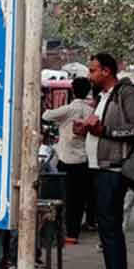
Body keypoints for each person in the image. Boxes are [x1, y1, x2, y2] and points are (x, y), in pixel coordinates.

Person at [76, 52, 134, 269]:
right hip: (98, 168)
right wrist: (85, 128)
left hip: (114, 170)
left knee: (112, 232)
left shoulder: (127, 93)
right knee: (106, 233)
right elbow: (98, 126)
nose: (89, 75)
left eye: (93, 70)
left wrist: (104, 132)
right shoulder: (102, 97)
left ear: (106, 71)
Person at [41, 77, 95, 244]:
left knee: (66, 198)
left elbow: (46, 115)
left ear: (73, 90)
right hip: (85, 160)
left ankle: (64, 231)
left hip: (66, 161)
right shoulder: (91, 111)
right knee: (79, 199)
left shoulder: (67, 110)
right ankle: (73, 233)